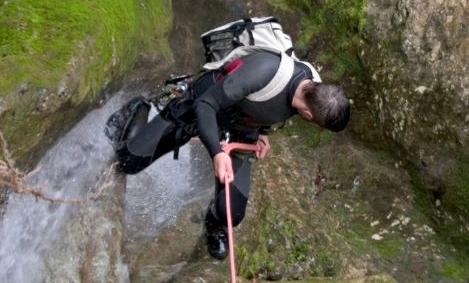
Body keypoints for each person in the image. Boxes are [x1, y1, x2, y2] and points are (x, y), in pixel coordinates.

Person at [106, 50, 350, 259]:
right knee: (128, 162)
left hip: (241, 130)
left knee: (231, 213)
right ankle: (138, 107)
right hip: (199, 107)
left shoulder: (313, 92)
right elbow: (206, 104)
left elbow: (273, 109)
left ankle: (213, 224)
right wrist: (216, 152)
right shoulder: (265, 71)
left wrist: (263, 133)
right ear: (309, 116)